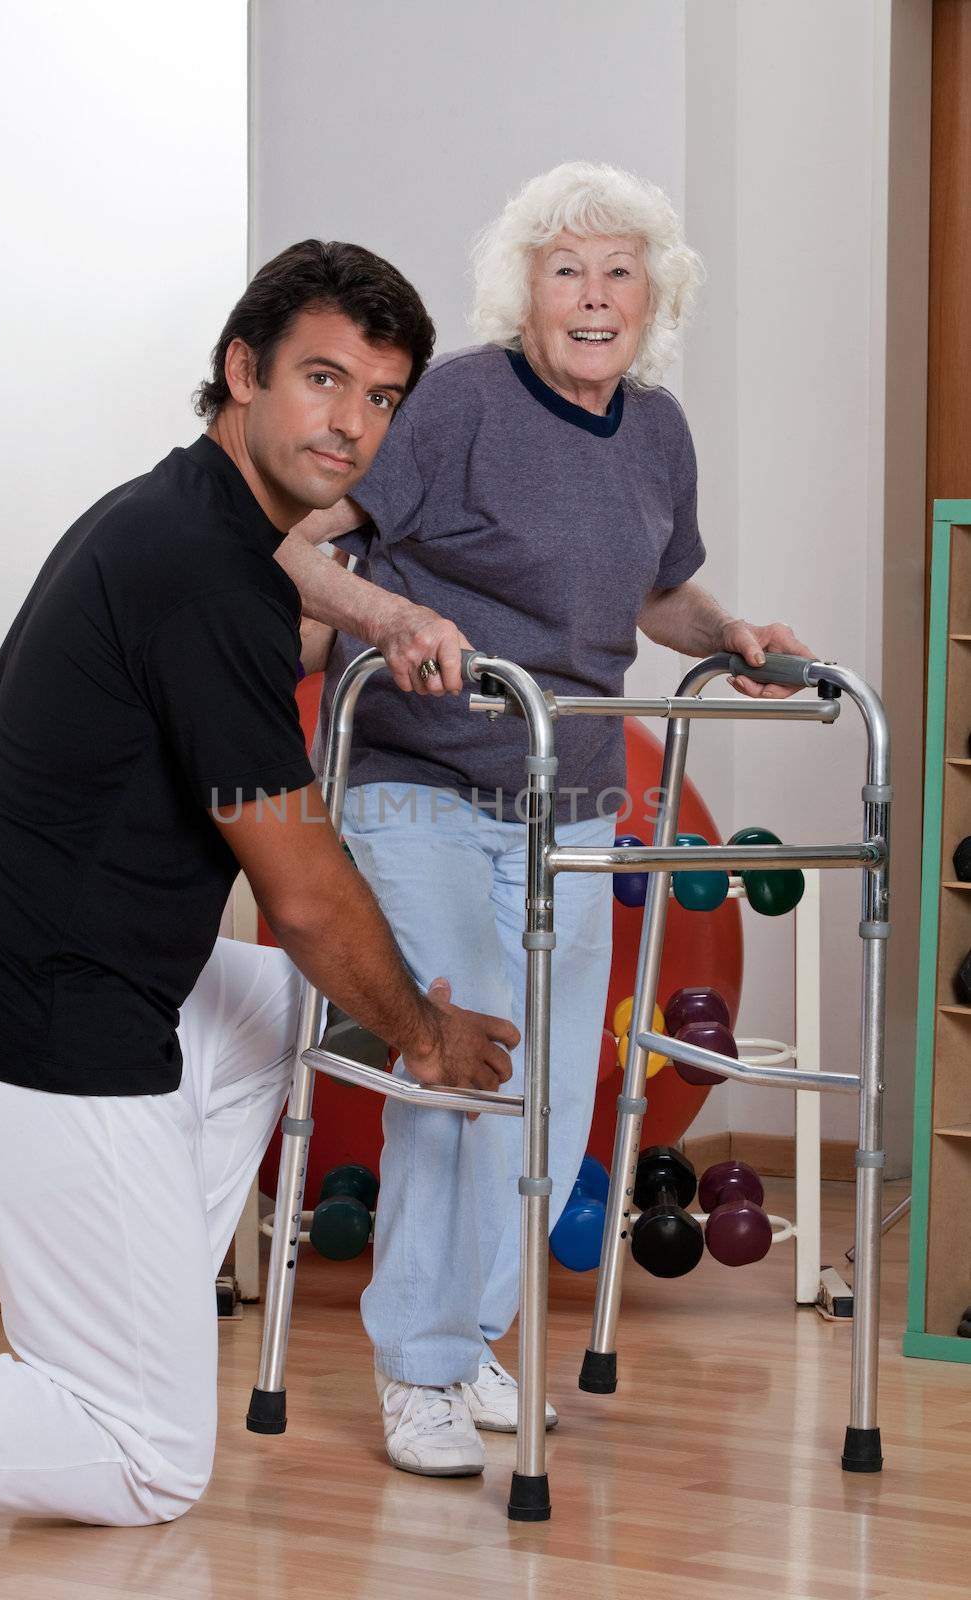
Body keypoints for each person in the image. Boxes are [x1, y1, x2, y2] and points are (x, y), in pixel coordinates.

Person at [0, 239, 519, 1524]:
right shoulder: (199, 574)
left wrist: (378, 619)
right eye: (321, 379)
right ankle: (121, 1389)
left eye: (381, 396)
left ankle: (137, 1332)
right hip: (35, 1045)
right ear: (241, 373)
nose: (351, 423)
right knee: (149, 1462)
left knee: (272, 1016)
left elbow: (266, 656)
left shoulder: (184, 528)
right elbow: (299, 893)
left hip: (4, 1001)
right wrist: (422, 1037)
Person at [275, 163, 815, 1478]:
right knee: (457, 1059)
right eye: (564, 269)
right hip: (417, 782)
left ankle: (474, 1346)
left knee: (551, 1088)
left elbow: (655, 596)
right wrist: (394, 621)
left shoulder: (655, 429)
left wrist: (729, 632)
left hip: (562, 796)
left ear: (653, 297)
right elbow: (293, 544)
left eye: (616, 273)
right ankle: (415, 1370)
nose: (590, 296)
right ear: (522, 289)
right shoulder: (458, 400)